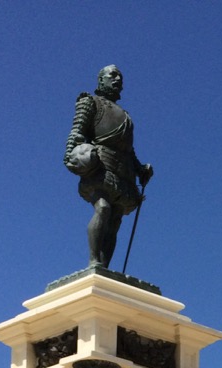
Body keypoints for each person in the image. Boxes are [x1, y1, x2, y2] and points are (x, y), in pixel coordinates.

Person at [65, 65, 154, 269]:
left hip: (124, 169)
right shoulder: (90, 102)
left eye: (120, 77)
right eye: (112, 75)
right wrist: (71, 155)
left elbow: (128, 149)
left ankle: (104, 266)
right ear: (100, 80)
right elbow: (77, 133)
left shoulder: (125, 115)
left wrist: (141, 169)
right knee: (103, 207)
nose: (117, 79)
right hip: (100, 164)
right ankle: (94, 260)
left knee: (115, 220)